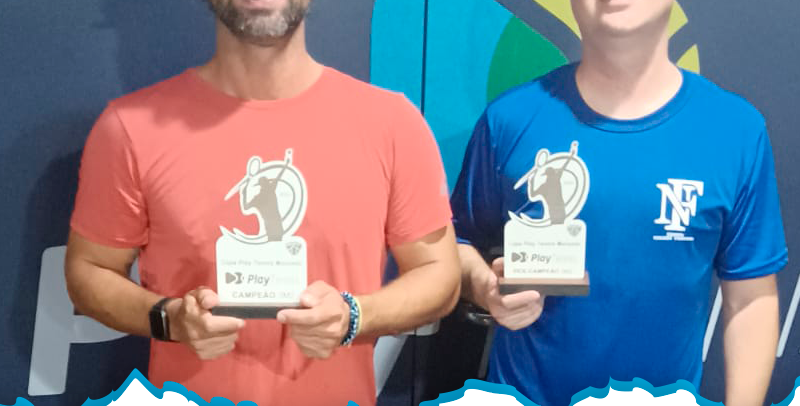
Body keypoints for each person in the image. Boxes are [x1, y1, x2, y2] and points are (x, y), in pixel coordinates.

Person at [64, 0, 461, 405]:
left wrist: (353, 315)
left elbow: (439, 274)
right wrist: (170, 319)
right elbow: (89, 270)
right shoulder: (129, 129)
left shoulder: (392, 125)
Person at [451, 1, 788, 406]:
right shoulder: (510, 119)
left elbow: (750, 298)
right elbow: (455, 242)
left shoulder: (735, 131)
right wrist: (485, 288)